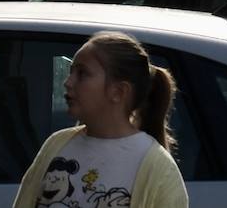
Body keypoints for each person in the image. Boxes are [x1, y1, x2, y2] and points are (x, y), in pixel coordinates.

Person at [13, 31, 187, 208]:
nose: (68, 82)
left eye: (82, 74)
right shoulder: (57, 144)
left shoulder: (159, 169)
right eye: (70, 72)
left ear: (118, 92)